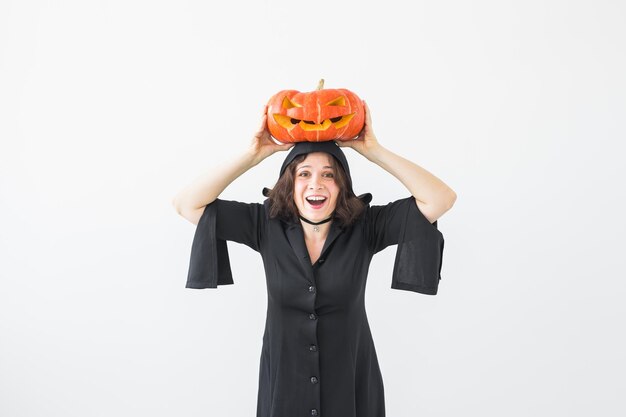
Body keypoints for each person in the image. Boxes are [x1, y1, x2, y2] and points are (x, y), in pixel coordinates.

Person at [173, 100, 456, 417]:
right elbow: (188, 204)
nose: (316, 184)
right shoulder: (264, 224)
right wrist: (254, 154)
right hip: (284, 387)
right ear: (290, 185)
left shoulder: (367, 226)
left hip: (349, 386)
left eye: (328, 175)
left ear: (341, 185)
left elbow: (441, 198)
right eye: (303, 173)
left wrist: (373, 150)